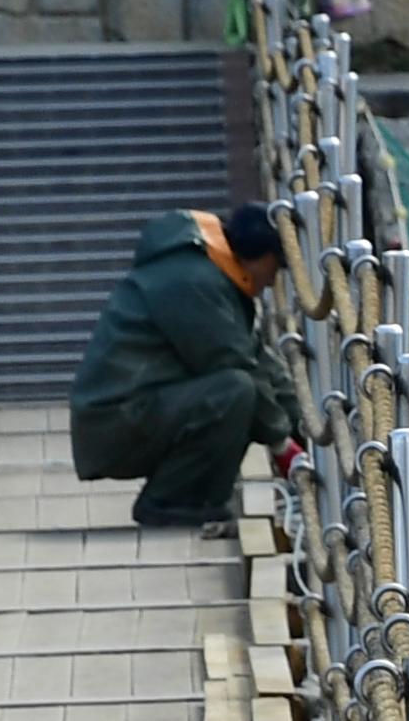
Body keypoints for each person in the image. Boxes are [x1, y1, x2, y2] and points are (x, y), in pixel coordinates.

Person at [69, 202, 307, 529]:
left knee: (242, 390)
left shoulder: (210, 273)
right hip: (116, 421)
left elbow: (256, 357)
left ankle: (199, 499)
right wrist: (283, 443)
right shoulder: (195, 281)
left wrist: (304, 427)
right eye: (277, 267)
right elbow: (233, 361)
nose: (273, 280)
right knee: (235, 392)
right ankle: (171, 500)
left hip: (133, 410)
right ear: (264, 256)